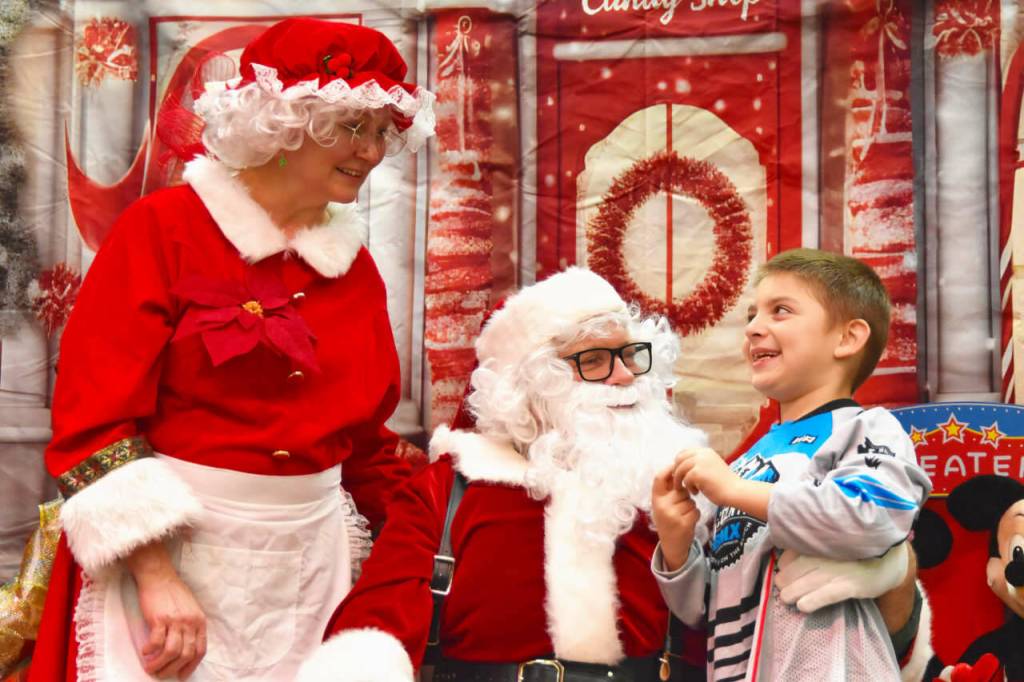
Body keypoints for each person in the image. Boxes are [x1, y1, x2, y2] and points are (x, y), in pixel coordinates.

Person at [28, 17, 434, 682]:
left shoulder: (352, 266)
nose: (368, 150)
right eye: (349, 127)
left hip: (312, 568)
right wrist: (155, 575)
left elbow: (362, 439)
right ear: (280, 123)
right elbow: (93, 418)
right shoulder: (163, 231)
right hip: (171, 563)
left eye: (380, 130)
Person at [296, 267, 927, 682]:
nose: (626, 376)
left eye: (630, 355)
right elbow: (374, 627)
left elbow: (781, 617)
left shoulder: (696, 481)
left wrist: (893, 572)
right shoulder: (452, 487)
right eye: (594, 360)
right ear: (528, 385)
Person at [651, 248, 933, 681]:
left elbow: (877, 517)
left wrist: (733, 491)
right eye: (751, 314)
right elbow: (705, 610)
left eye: (780, 311)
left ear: (847, 338)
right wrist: (676, 546)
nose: (753, 328)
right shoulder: (746, 462)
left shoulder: (867, 426)